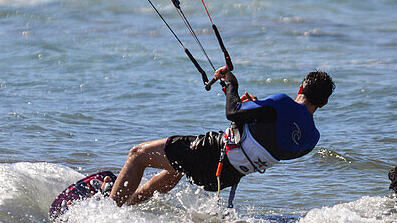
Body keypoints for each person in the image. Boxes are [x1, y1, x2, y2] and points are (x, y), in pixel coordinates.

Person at [108, 66, 335, 207]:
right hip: (225, 178)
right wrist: (257, 111)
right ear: (323, 103)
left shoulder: (282, 103)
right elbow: (266, 144)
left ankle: (105, 212)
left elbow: (232, 113)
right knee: (174, 169)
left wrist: (231, 85)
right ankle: (128, 201)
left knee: (138, 154)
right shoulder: (311, 139)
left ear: (300, 88)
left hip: (213, 153)